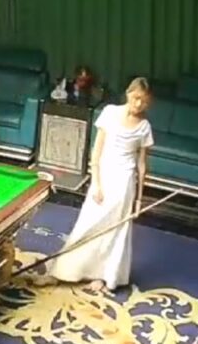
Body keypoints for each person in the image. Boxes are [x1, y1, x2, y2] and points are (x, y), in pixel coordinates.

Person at [38, 77, 155, 294]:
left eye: (144, 102)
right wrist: (97, 183)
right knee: (87, 225)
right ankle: (60, 272)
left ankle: (103, 276)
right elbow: (97, 151)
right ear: (128, 94)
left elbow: (141, 165)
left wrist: (139, 199)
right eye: (136, 98)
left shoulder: (144, 127)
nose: (139, 104)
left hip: (125, 183)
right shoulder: (110, 112)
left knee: (113, 231)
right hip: (104, 177)